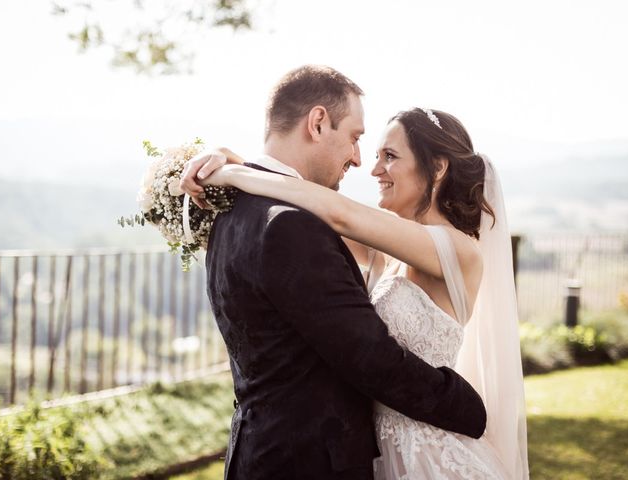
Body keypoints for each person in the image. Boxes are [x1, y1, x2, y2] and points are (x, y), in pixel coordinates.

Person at [185, 105, 529, 478]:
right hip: (372, 449)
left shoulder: (457, 251)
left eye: (390, 156)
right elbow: (307, 199)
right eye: (378, 154)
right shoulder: (388, 247)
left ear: (439, 167)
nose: (374, 168)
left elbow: (338, 213)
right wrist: (231, 159)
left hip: (428, 452)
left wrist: (234, 173)